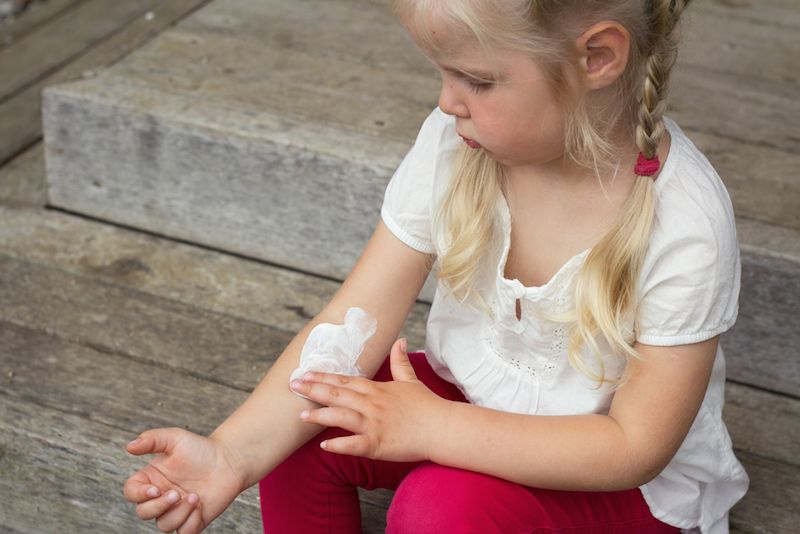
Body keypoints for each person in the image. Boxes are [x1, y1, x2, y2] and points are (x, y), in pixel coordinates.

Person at [122, 0, 749, 532]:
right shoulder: (456, 144)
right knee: (314, 414)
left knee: (440, 509)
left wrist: (436, 428)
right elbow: (352, 316)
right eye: (443, 74)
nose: (447, 101)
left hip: (617, 487)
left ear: (596, 58)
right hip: (468, 403)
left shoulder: (683, 220)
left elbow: (632, 449)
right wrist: (231, 453)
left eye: (475, 79)